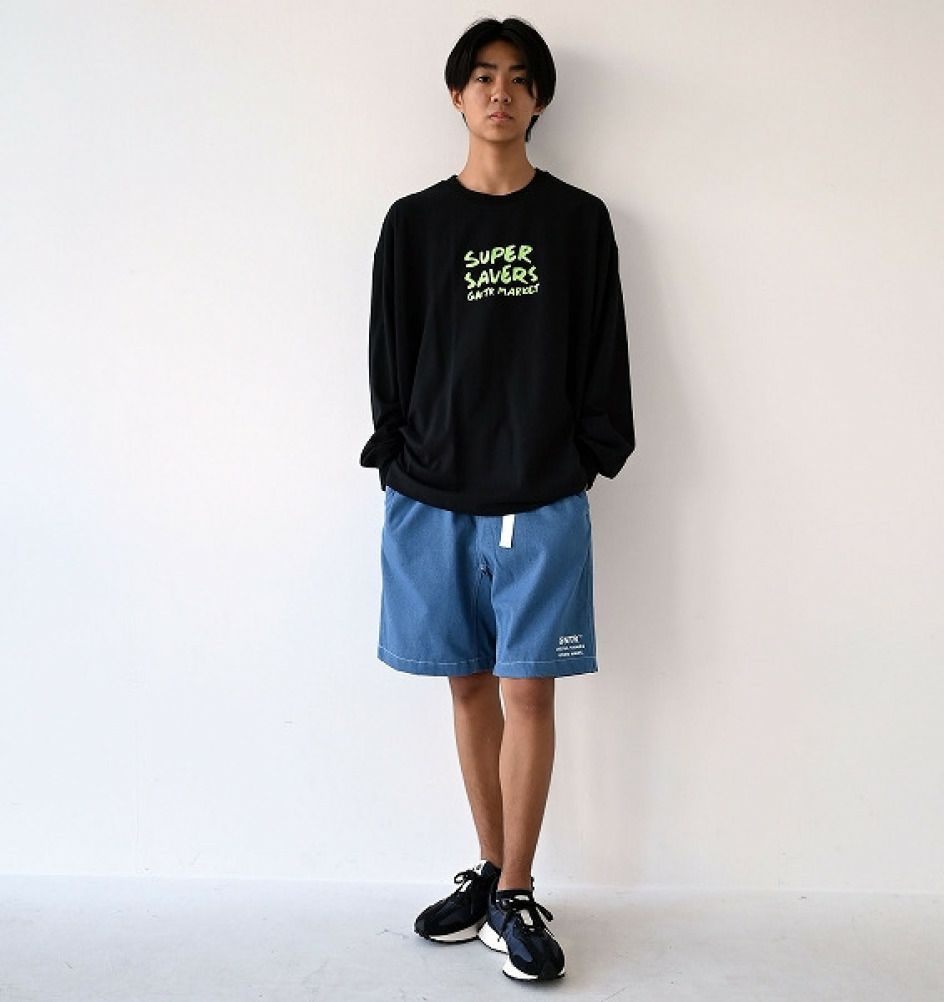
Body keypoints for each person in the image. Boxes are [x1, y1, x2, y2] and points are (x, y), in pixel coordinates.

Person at [359, 15, 635, 984]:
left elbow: (604, 346)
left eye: (519, 78)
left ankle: (516, 891)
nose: (500, 92)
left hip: (542, 494)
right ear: (456, 94)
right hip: (432, 492)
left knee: (529, 688)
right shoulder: (414, 224)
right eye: (481, 76)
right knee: (467, 682)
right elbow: (387, 353)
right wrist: (398, 455)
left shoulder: (578, 221)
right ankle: (488, 873)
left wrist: (587, 456)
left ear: (540, 98)